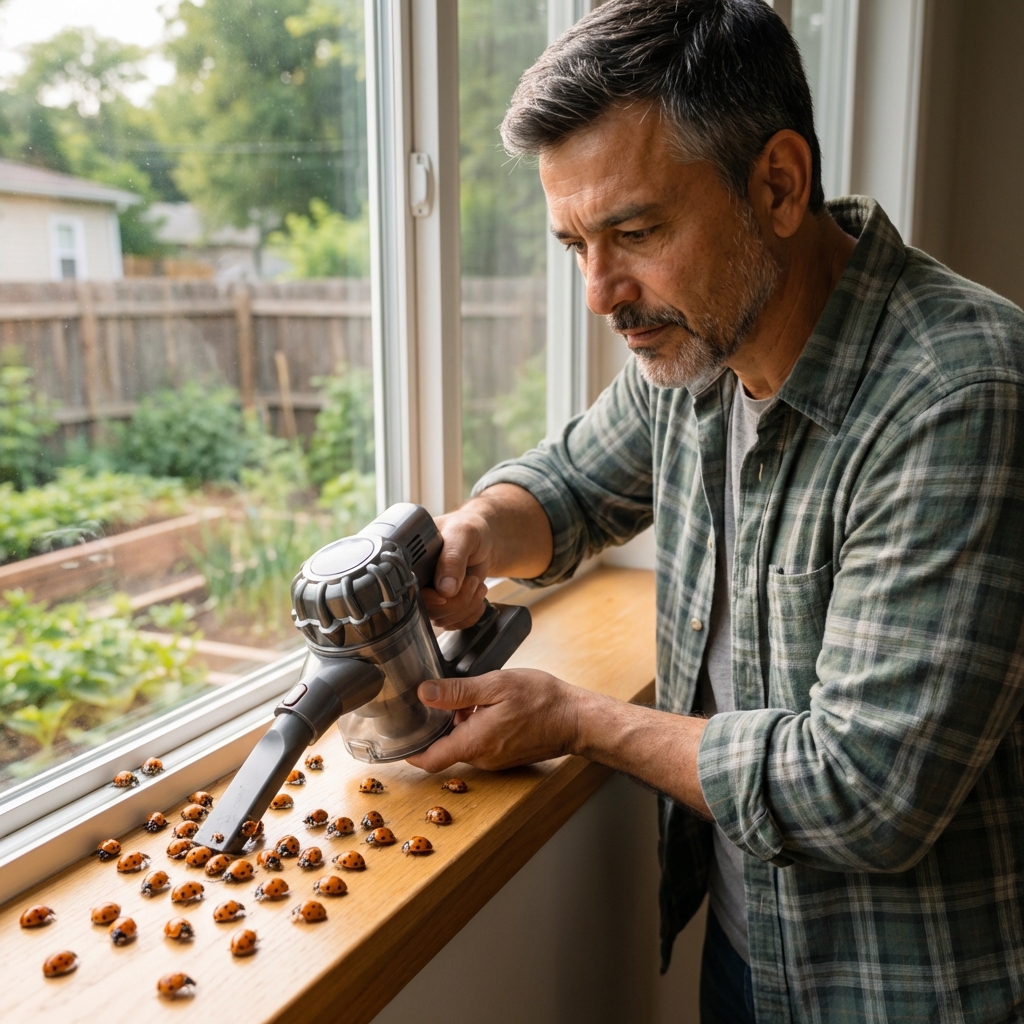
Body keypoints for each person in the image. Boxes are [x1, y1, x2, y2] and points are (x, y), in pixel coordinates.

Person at [411, 2, 1024, 1022]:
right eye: (573, 245)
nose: (601, 294)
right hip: (749, 955)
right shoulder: (691, 348)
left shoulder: (961, 391)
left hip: (910, 988)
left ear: (777, 184)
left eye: (635, 232)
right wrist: (474, 529)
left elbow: (862, 789)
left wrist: (574, 717)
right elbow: (566, 487)